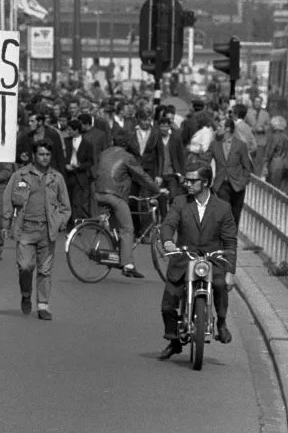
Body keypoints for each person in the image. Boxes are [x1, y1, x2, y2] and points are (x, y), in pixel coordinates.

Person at [158, 163, 237, 360]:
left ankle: (221, 323)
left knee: (219, 284)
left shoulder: (223, 208)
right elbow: (168, 224)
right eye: (186, 179)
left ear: (206, 182)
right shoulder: (180, 202)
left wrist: (230, 271)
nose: (187, 184)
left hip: (212, 261)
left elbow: (229, 241)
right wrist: (168, 241)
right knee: (168, 304)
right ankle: (174, 341)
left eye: (193, 180)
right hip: (184, 258)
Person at [1, 140, 71, 321]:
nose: (45, 158)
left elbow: (66, 207)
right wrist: (6, 223)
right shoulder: (20, 176)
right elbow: (8, 199)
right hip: (25, 229)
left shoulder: (57, 178)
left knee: (45, 270)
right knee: (25, 266)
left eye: (48, 154)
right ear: (34, 155)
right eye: (41, 154)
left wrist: (60, 222)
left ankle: (43, 306)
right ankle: (26, 293)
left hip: (47, 231)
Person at [93, 131, 162, 278]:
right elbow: (141, 175)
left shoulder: (105, 153)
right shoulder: (127, 157)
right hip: (114, 195)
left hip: (99, 193)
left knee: (116, 228)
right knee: (128, 228)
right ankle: (128, 265)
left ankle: (118, 255)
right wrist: (157, 190)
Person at [211, 117, 253, 226]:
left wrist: (244, 182)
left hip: (238, 185)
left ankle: (231, 240)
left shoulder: (241, 145)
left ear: (228, 129)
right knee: (224, 213)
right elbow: (205, 161)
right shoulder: (214, 144)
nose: (217, 128)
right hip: (221, 184)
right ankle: (223, 239)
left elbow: (247, 166)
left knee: (235, 215)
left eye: (220, 126)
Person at [264, 116, 288, 195]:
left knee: (273, 188)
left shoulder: (274, 137)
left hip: (275, 164)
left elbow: (271, 151)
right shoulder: (286, 137)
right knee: (282, 188)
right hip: (286, 164)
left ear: (274, 126)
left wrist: (265, 160)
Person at [245, 96, 271, 177]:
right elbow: (244, 123)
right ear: (253, 102)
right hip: (251, 140)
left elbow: (269, 125)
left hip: (261, 141)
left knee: (259, 160)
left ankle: (257, 177)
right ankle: (250, 175)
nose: (257, 103)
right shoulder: (248, 113)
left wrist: (263, 129)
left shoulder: (265, 114)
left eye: (259, 102)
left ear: (261, 103)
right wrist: (250, 129)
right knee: (250, 159)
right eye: (256, 102)